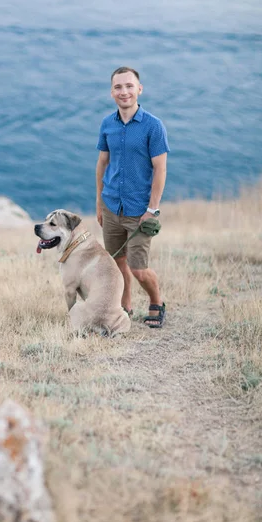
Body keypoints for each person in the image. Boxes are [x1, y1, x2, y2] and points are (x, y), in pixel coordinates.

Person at [96, 66, 170, 327]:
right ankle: (125, 304)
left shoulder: (153, 126)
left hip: (140, 210)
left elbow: (160, 169)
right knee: (117, 263)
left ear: (139, 89)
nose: (124, 91)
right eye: (118, 87)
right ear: (111, 93)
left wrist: (152, 209)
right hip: (111, 206)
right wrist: (99, 202)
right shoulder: (107, 124)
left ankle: (156, 302)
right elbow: (102, 163)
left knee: (138, 268)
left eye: (129, 86)